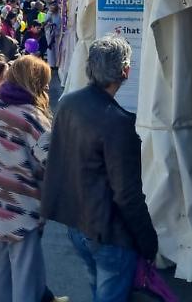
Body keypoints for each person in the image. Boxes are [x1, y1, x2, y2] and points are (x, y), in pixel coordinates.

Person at [42, 36, 157, 302]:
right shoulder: (118, 122)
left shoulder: (69, 103)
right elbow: (127, 194)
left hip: (77, 222)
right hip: (108, 232)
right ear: (126, 71)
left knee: (98, 288)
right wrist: (148, 240)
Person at [0, 56, 52, 302]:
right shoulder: (32, 116)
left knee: (0, 266)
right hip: (22, 207)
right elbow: (52, 162)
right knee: (25, 272)